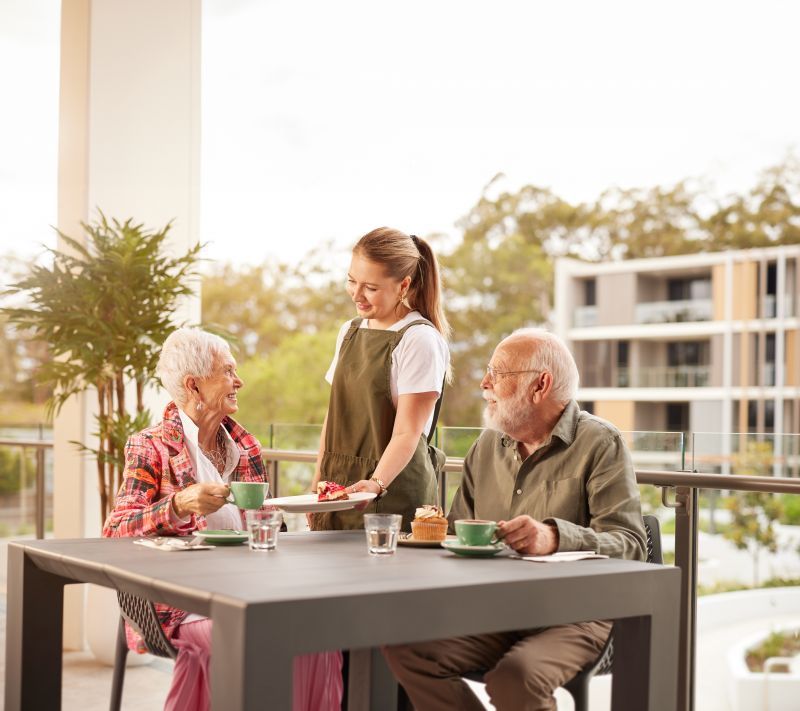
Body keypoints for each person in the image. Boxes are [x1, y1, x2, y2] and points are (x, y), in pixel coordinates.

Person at [383, 328, 646, 711]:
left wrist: (555, 537)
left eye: (498, 373)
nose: (484, 383)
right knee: (408, 649)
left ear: (541, 384)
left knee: (516, 678)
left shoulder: (601, 443)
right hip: (496, 610)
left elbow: (631, 544)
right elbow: (458, 533)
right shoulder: (485, 446)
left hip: (576, 614)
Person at [103, 327, 342, 711]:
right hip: (179, 603)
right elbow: (116, 530)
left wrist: (296, 513)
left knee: (321, 634)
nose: (239, 381)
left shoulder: (245, 447)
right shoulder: (151, 446)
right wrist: (179, 504)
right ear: (194, 386)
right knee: (276, 638)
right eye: (228, 372)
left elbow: (271, 530)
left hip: (253, 592)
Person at [310, 227, 451, 531]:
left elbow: (408, 433)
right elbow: (333, 417)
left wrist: (375, 483)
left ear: (403, 285)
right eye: (351, 281)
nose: (356, 295)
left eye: (371, 287)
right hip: (338, 485)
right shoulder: (349, 331)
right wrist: (317, 481)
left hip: (393, 490)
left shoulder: (419, 340)